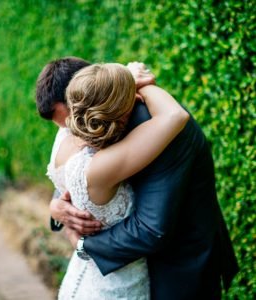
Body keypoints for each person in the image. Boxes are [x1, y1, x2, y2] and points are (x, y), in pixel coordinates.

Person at [36, 57, 239, 299]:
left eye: (74, 120)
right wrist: (57, 205)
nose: (75, 132)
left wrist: (83, 246)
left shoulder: (160, 129)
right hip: (123, 267)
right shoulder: (92, 120)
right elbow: (76, 168)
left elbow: (150, 229)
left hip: (178, 264)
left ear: (89, 93)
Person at [44, 62, 188, 299]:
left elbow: (61, 188)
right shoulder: (102, 167)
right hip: (115, 288)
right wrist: (139, 80)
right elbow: (175, 115)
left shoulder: (64, 137)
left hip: (82, 279)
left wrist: (54, 205)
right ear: (120, 113)